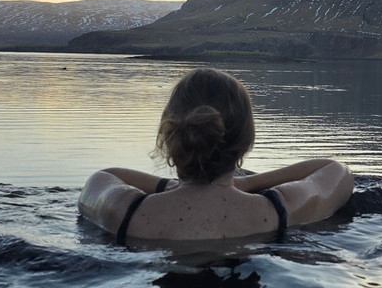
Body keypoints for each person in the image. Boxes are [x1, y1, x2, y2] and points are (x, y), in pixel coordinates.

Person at [78, 67, 354, 243]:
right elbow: (336, 170)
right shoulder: (275, 210)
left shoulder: (126, 210)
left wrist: (168, 187)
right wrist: (245, 184)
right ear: (246, 142)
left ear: (169, 134)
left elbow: (104, 177)